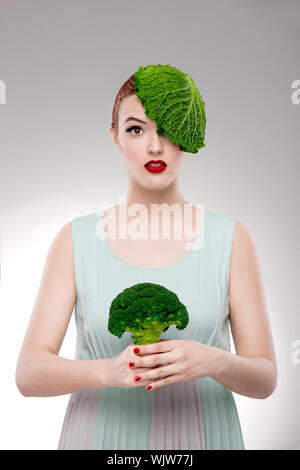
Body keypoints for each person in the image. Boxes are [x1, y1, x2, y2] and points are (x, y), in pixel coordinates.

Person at [15, 64, 277, 450]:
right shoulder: (75, 240)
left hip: (204, 438)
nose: (155, 146)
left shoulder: (232, 239)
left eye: (169, 128)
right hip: (102, 440)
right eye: (136, 129)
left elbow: (266, 378)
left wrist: (214, 361)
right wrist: (110, 371)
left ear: (188, 135)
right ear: (115, 137)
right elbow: (29, 372)